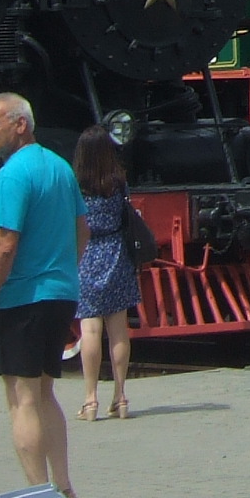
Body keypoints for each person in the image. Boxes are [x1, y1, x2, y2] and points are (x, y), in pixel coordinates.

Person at [0, 93, 87, 498]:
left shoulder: (13, 175)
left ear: (20, 124)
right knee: (44, 392)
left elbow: (4, 243)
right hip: (59, 294)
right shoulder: (60, 168)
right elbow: (82, 229)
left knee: (22, 399)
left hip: (21, 297)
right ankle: (63, 486)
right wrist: (63, 268)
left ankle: (39, 496)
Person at [73, 125, 137, 423]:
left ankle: (90, 400)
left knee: (90, 330)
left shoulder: (76, 185)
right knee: (118, 330)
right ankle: (120, 396)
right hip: (116, 253)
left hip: (87, 254)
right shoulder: (118, 182)